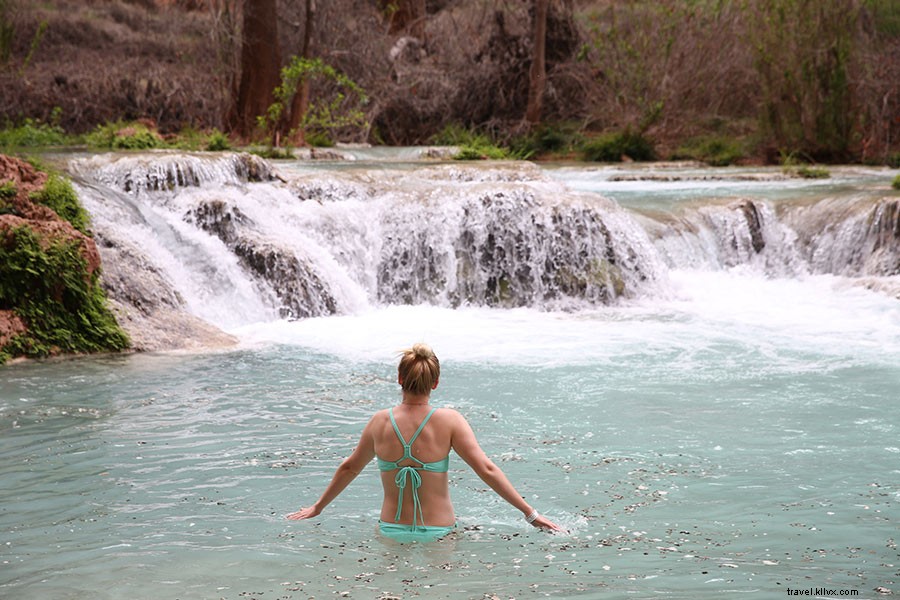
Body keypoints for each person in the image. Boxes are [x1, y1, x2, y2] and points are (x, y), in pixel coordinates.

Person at [286, 343, 562, 543]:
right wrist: (530, 513)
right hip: (439, 531)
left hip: (391, 528)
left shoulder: (380, 422)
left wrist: (317, 507)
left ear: (399, 379)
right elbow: (486, 469)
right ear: (436, 382)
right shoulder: (450, 421)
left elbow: (349, 468)